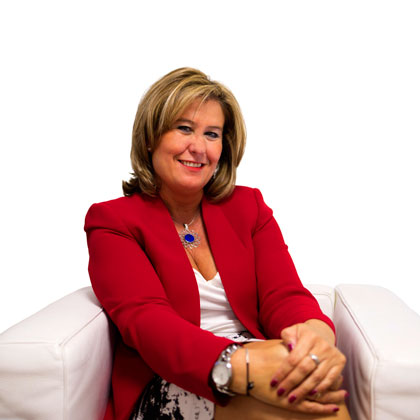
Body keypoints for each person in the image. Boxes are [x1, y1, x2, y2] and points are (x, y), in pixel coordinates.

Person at [84, 67, 351, 420]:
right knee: (312, 404)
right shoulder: (112, 221)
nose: (198, 148)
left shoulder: (248, 207)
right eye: (184, 128)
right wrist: (241, 364)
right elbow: (147, 323)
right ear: (150, 137)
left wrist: (314, 336)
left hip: (262, 358)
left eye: (212, 134)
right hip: (171, 376)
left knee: (316, 391)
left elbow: (283, 295)